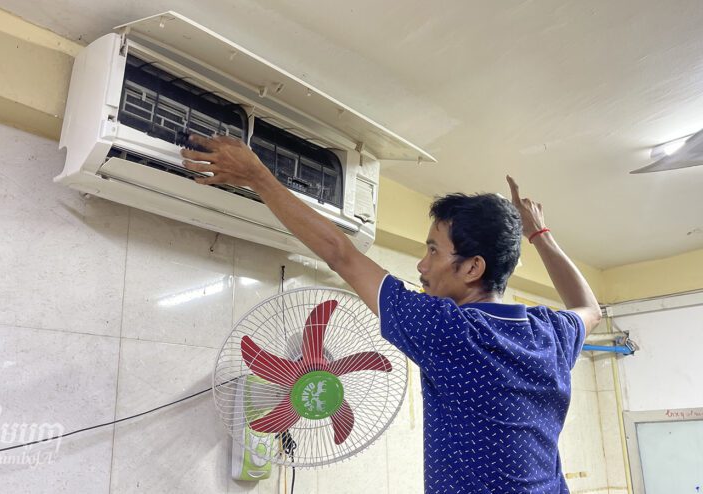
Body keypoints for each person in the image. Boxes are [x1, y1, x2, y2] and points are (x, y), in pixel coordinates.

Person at [180, 135, 602, 493]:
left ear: (473, 268)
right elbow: (590, 309)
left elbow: (340, 254)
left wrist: (256, 176)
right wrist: (540, 236)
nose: (422, 265)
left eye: (434, 250)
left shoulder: (449, 330)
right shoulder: (551, 333)